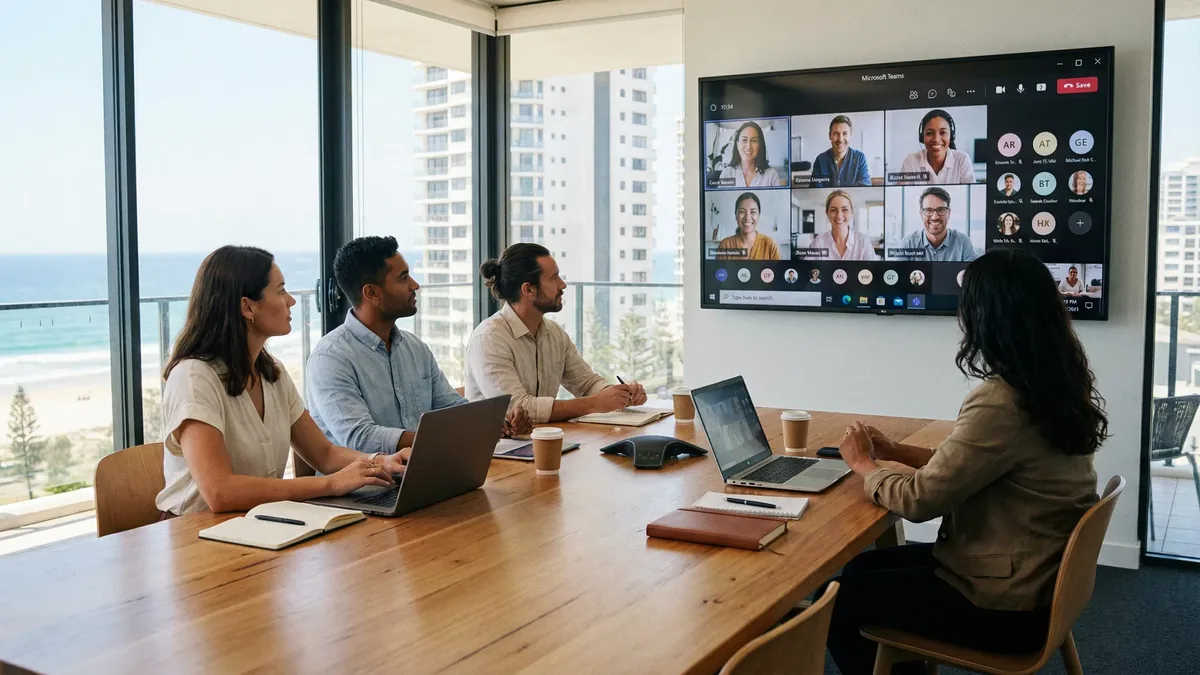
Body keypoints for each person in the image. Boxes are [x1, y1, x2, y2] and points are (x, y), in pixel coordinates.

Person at [825, 249, 1107, 675]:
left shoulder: (1002, 400)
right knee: (863, 567)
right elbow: (978, 464)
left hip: (1003, 606)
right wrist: (896, 452)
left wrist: (864, 463)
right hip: (1038, 583)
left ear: (988, 317)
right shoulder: (1054, 382)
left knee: (838, 601)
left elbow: (919, 502)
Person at [155, 246, 408, 516]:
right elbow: (219, 492)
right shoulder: (193, 377)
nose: (291, 301)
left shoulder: (271, 372)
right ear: (247, 307)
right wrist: (330, 484)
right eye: (280, 291)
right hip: (195, 532)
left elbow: (324, 454)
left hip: (259, 522)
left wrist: (381, 462)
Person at [305, 236, 531, 457]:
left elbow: (453, 408)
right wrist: (439, 438)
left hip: (423, 475)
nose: (415, 285)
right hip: (362, 490)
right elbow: (360, 438)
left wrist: (499, 422)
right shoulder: (331, 358)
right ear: (372, 293)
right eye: (403, 278)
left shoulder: (415, 348)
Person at [464, 243, 646, 423]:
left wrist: (620, 394)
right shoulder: (489, 339)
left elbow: (587, 384)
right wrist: (594, 404)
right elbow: (518, 407)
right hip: (499, 448)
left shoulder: (554, 333)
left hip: (541, 439)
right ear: (528, 289)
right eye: (554, 278)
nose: (563, 285)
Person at [898, 187, 979, 262]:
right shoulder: (908, 243)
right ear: (921, 214)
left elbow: (974, 275)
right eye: (928, 210)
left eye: (941, 210)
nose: (935, 217)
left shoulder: (963, 242)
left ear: (949, 213)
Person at [898, 109, 976, 185]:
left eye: (943, 132)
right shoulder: (911, 160)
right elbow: (901, 193)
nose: (936, 139)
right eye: (929, 133)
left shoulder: (962, 159)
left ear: (951, 136)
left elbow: (971, 194)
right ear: (922, 137)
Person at [806, 190, 879, 261]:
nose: (839, 216)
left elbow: (874, 271)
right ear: (827, 213)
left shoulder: (863, 241)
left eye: (844, 210)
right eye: (833, 210)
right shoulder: (819, 242)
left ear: (852, 213)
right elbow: (808, 270)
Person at [717, 121, 785, 187]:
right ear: (737, 144)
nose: (749, 146)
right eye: (744, 140)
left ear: (760, 145)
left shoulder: (771, 175)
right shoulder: (727, 173)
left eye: (754, 141)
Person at [809, 115, 871, 187]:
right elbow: (816, 191)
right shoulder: (820, 159)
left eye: (845, 133)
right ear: (830, 136)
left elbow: (864, 188)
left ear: (850, 135)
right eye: (836, 134)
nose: (840, 139)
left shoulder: (859, 158)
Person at [717, 192, 782, 260]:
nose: (747, 217)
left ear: (758, 215)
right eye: (742, 211)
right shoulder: (725, 245)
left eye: (753, 212)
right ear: (736, 215)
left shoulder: (770, 245)